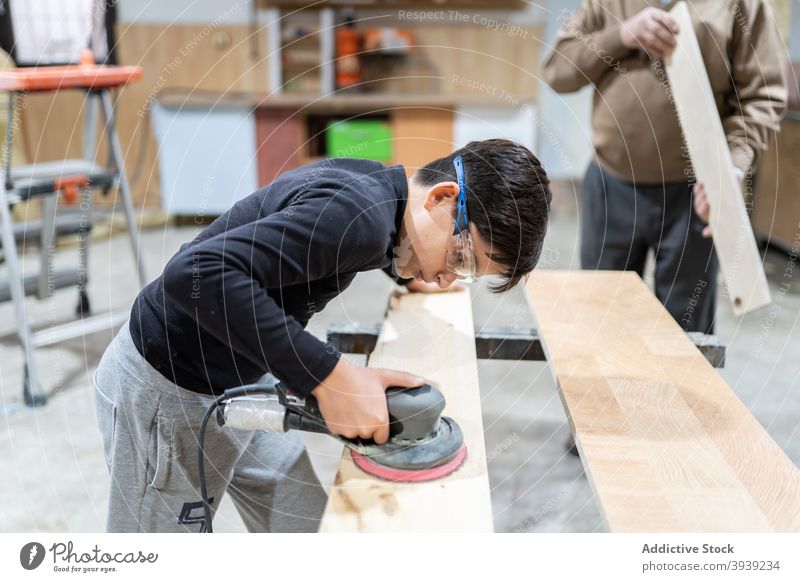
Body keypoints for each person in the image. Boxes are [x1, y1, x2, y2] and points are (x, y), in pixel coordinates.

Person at [93, 138, 552, 532]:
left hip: (245, 372)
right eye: (462, 258)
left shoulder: (382, 198)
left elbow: (326, 240)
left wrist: (412, 264)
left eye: (466, 273)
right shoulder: (360, 221)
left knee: (304, 528)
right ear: (440, 198)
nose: (447, 278)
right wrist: (330, 376)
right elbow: (193, 273)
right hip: (168, 390)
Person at [543, 0, 786, 333]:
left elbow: (763, 96)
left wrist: (729, 169)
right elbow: (557, 70)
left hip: (694, 198)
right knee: (602, 325)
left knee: (685, 337)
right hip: (610, 185)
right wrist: (622, 35)